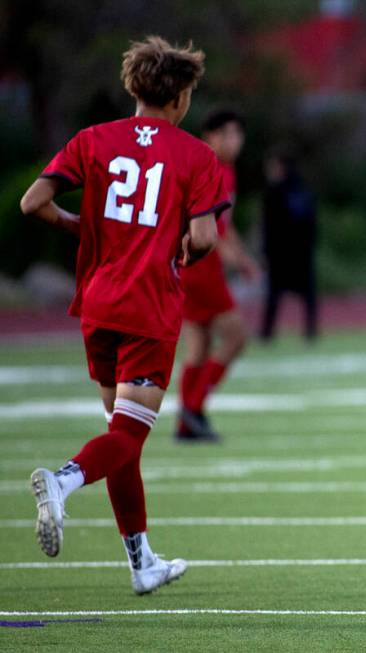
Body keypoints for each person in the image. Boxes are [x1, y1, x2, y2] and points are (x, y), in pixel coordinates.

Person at [20, 36, 226, 594]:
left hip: (97, 303)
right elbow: (205, 236)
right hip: (149, 305)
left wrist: (79, 228)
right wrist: (192, 243)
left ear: (133, 87)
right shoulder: (196, 156)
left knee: (122, 434)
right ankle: (63, 481)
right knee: (128, 437)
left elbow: (32, 203)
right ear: (180, 97)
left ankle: (142, 562)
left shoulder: (93, 140)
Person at [175, 109, 260, 442]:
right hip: (201, 266)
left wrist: (242, 259)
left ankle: (186, 425)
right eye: (227, 134)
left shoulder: (225, 169)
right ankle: (192, 408)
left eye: (238, 135)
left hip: (193, 266)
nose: (235, 142)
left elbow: (225, 225)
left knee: (198, 343)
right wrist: (236, 259)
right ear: (210, 136)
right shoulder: (209, 168)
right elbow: (210, 231)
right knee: (236, 337)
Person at [260, 147, 318, 341]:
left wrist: (266, 251)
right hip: (302, 253)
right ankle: (310, 330)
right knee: (308, 294)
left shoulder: (274, 192)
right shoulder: (303, 189)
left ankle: (267, 332)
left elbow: (268, 226)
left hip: (280, 253)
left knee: (274, 294)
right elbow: (313, 224)